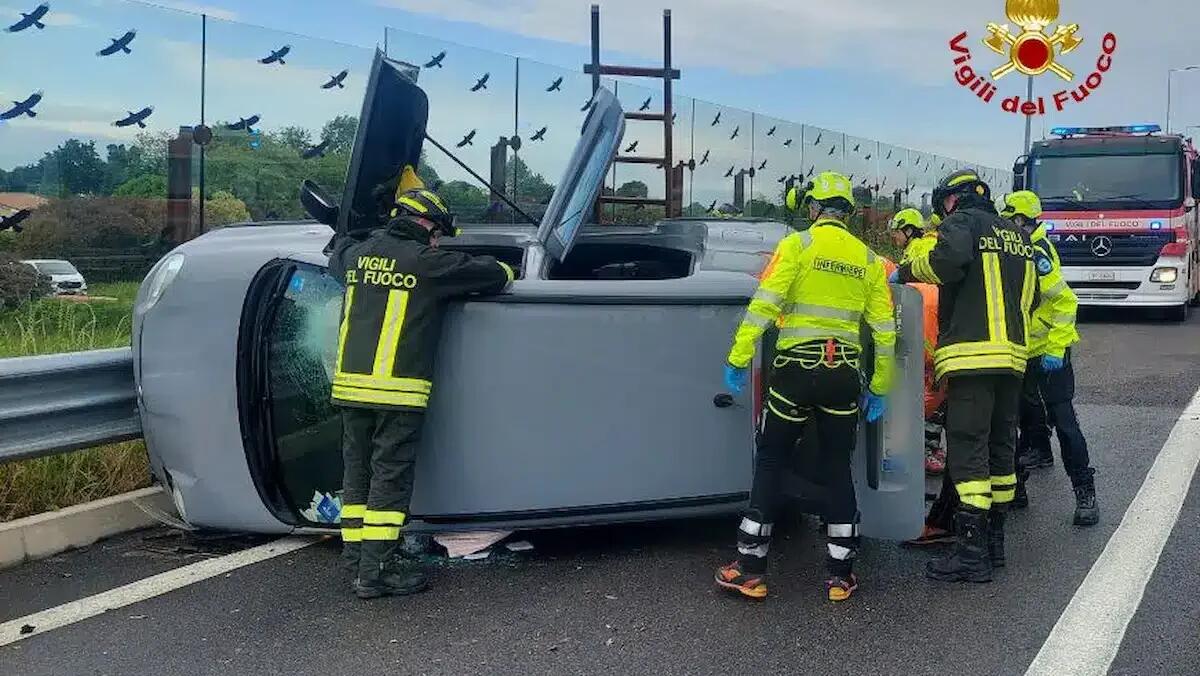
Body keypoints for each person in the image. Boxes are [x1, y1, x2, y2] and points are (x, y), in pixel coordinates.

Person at [326, 167, 515, 599]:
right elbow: (493, 274)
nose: (437, 242)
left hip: (350, 389)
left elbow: (336, 251)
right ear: (427, 224)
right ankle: (379, 573)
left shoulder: (357, 256)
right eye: (438, 234)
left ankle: (358, 558)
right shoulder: (426, 263)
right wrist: (508, 266)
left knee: (357, 475)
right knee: (390, 478)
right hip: (396, 390)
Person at [714, 171, 897, 602]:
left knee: (773, 460)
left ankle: (750, 568)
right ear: (847, 213)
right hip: (843, 377)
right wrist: (880, 384)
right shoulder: (868, 259)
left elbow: (764, 305)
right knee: (837, 466)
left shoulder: (797, 245)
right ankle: (840, 576)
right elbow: (885, 331)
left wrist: (738, 358)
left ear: (813, 208)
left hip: (796, 372)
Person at [895, 169, 1038, 582]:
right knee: (999, 449)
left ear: (952, 200)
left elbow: (946, 262)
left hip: (973, 357)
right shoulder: (1018, 236)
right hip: (1013, 359)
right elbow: (1034, 295)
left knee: (967, 447)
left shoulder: (963, 223)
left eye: (944, 205)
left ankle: (971, 553)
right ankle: (994, 544)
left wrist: (906, 270)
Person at [1000, 190, 1099, 526]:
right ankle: (1016, 490)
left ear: (1021, 220)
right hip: (1020, 352)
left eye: (1009, 218)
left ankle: (1085, 491)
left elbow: (1065, 302)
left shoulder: (1037, 252)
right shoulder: (1017, 248)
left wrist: (1056, 348)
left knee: (1065, 423)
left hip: (1048, 352)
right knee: (1010, 422)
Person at [888, 208, 946, 475]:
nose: (894, 238)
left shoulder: (921, 250)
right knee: (933, 394)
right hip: (930, 329)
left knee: (930, 394)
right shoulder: (926, 246)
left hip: (928, 331)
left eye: (897, 233)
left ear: (909, 231)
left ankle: (927, 448)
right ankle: (927, 447)